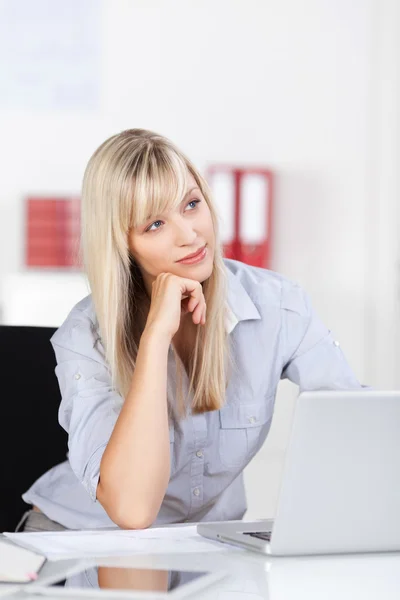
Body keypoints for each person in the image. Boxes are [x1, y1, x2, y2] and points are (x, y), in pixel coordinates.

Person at [17, 128, 365, 533]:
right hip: (82, 537)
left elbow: (355, 429)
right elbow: (132, 512)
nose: (189, 234)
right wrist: (155, 339)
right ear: (123, 244)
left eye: (192, 204)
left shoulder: (278, 304)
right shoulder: (86, 336)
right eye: (155, 224)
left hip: (204, 543)